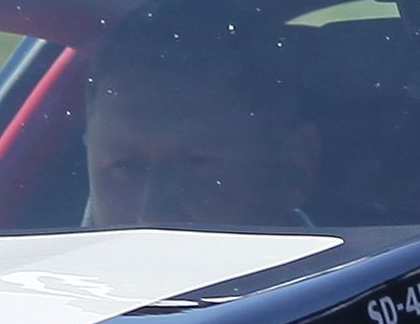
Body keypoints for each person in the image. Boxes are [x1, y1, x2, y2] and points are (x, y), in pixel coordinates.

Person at [73, 32, 321, 229]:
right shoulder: (40, 282)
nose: (152, 213)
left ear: (293, 169)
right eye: (126, 166)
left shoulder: (353, 290)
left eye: (195, 162)